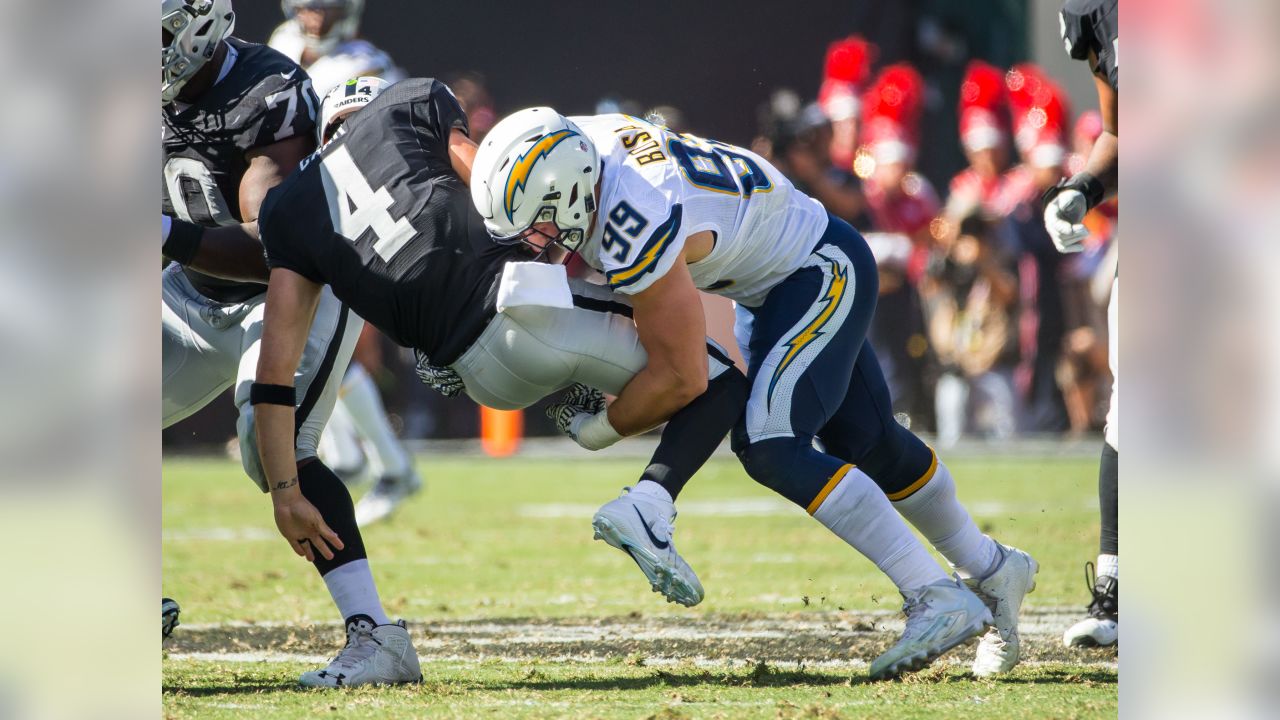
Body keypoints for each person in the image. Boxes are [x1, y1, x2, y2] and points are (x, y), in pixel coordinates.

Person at [471, 108, 1038, 679]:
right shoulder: (577, 144)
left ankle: (932, 593)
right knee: (872, 443)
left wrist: (600, 428)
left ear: (565, 192)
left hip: (813, 270)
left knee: (770, 445)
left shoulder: (630, 217)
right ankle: (991, 567)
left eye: (538, 222)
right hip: (779, 280)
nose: (532, 240)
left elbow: (682, 377)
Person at [253, 78, 749, 679]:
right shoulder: (405, 103)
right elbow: (503, 197)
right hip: (518, 316)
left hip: (476, 375)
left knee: (629, 361)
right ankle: (632, 480)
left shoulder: (287, 209)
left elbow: (274, 373)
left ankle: (373, 635)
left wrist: (284, 493)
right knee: (714, 378)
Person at [161, 2, 415, 688]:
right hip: (191, 290)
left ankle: (377, 636)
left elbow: (268, 247)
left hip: (291, 288)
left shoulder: (265, 90)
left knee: (275, 452)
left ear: (198, 25)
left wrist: (157, 233)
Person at [269, 1, 418, 524]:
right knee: (296, 345)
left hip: (337, 211)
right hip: (285, 209)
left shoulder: (365, 63)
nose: (311, 15)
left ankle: (389, 465)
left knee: (319, 343)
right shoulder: (278, 46)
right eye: (305, 5)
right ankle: (351, 457)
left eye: (322, 6)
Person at [1045, 0, 1119, 649]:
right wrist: (1084, 189)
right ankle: (1119, 596)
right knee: (1133, 414)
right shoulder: (1097, 11)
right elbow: (1122, 133)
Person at [268, 0, 403, 96]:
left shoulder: (366, 64)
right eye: (308, 8)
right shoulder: (283, 41)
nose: (317, 21)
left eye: (328, 10)